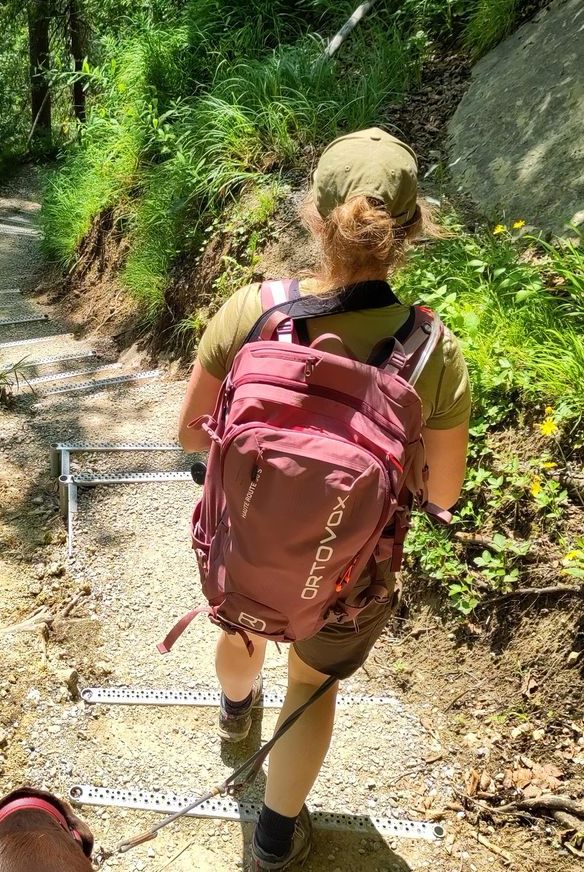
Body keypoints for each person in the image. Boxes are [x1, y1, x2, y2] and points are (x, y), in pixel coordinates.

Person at [176, 127, 470, 870]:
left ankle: (235, 716)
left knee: (243, 627)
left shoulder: (255, 311)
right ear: (413, 230)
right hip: (348, 572)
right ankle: (276, 841)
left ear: (315, 213)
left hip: (248, 543)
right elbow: (444, 491)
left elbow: (189, 435)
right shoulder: (435, 351)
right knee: (310, 683)